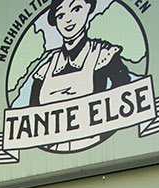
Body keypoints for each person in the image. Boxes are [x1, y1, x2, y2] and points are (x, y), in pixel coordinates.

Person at [28, 0, 132, 152]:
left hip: (96, 146)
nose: (68, 19)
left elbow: (125, 96)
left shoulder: (103, 54)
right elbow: (31, 115)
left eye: (76, 9)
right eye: (61, 15)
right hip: (55, 151)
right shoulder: (45, 69)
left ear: (88, 10)